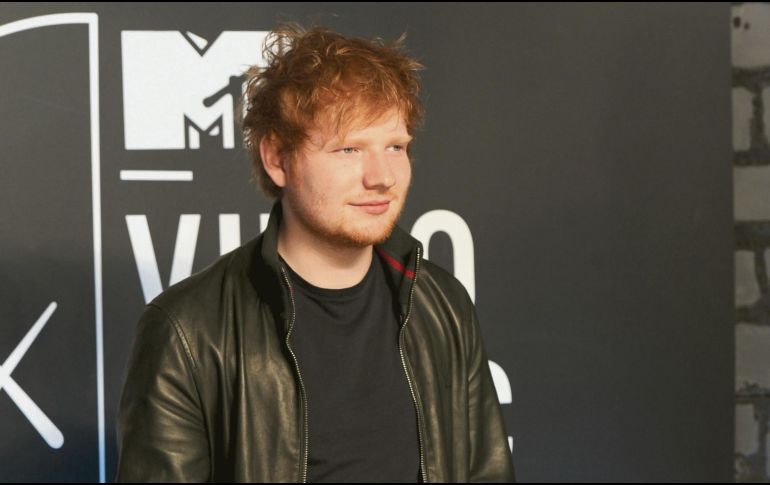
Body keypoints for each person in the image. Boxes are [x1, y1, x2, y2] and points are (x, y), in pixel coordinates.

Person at [115, 22, 516, 483]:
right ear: (277, 158)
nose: (382, 176)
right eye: (349, 149)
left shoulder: (443, 306)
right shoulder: (188, 332)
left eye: (395, 146)